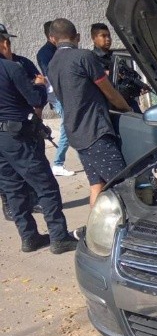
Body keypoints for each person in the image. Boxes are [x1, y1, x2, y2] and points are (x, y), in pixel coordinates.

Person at [0, 23, 78, 254]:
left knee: (13, 189)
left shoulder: (14, 66)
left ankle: (29, 237)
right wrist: (41, 85)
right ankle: (59, 237)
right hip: (18, 136)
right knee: (46, 186)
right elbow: (36, 99)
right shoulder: (11, 68)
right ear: (4, 44)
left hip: (3, 140)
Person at [48, 18, 131, 208]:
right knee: (123, 186)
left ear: (53, 39)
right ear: (77, 37)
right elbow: (109, 91)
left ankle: (94, 224)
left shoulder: (52, 63)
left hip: (76, 133)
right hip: (95, 132)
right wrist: (127, 109)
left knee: (97, 185)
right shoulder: (84, 57)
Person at [37, 20, 74, 177]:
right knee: (67, 126)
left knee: (70, 125)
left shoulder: (59, 50)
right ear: (51, 37)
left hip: (64, 93)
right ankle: (58, 163)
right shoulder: (45, 53)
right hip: (57, 95)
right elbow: (51, 75)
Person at [90, 22, 142, 113]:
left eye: (109, 36)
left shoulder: (115, 56)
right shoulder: (92, 58)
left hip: (128, 100)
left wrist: (139, 86)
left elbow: (128, 75)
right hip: (111, 106)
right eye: (103, 36)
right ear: (94, 38)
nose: (108, 39)